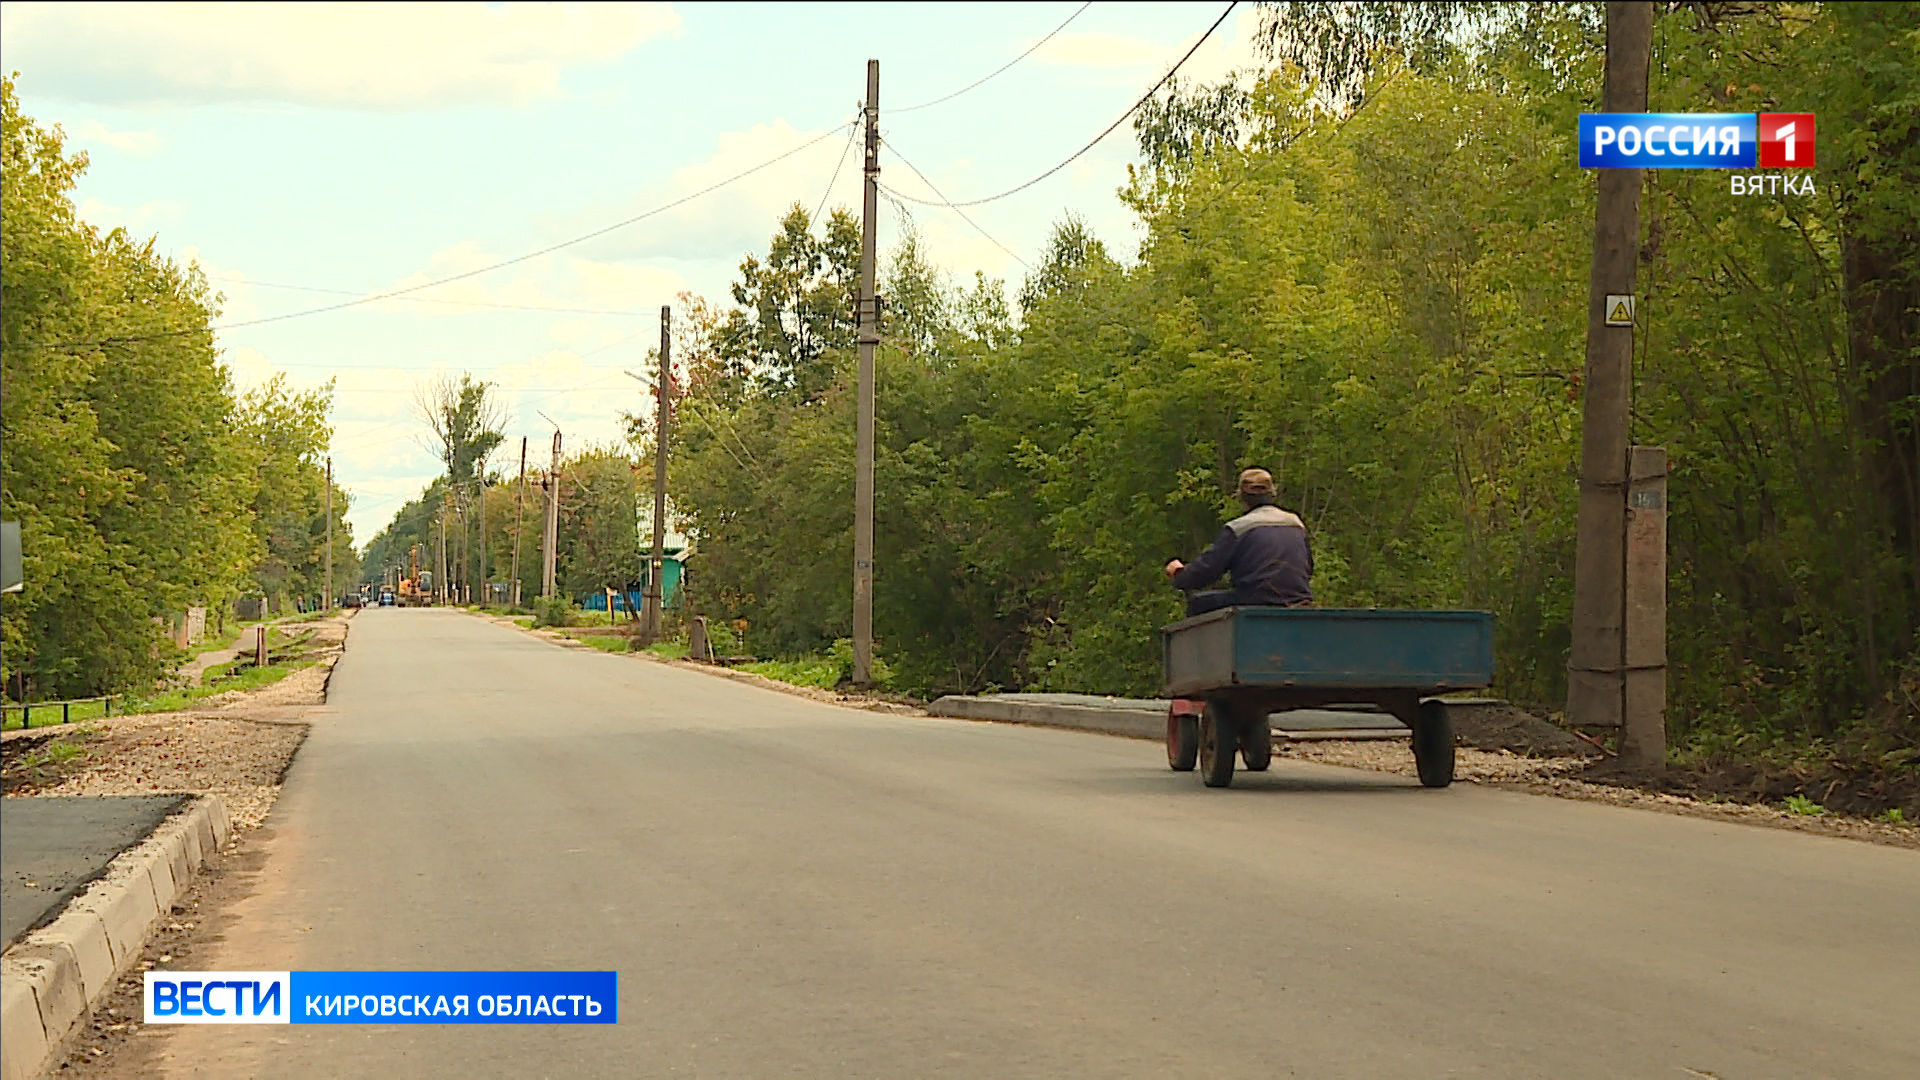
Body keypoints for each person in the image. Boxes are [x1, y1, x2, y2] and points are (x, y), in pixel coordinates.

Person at [1165, 468, 1312, 616]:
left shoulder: (1238, 528)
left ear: (1242, 497)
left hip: (1252, 601)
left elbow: (1207, 571)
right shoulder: (1296, 524)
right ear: (1272, 494)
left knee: (1198, 603)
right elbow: (1308, 568)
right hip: (1298, 601)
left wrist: (1180, 573)